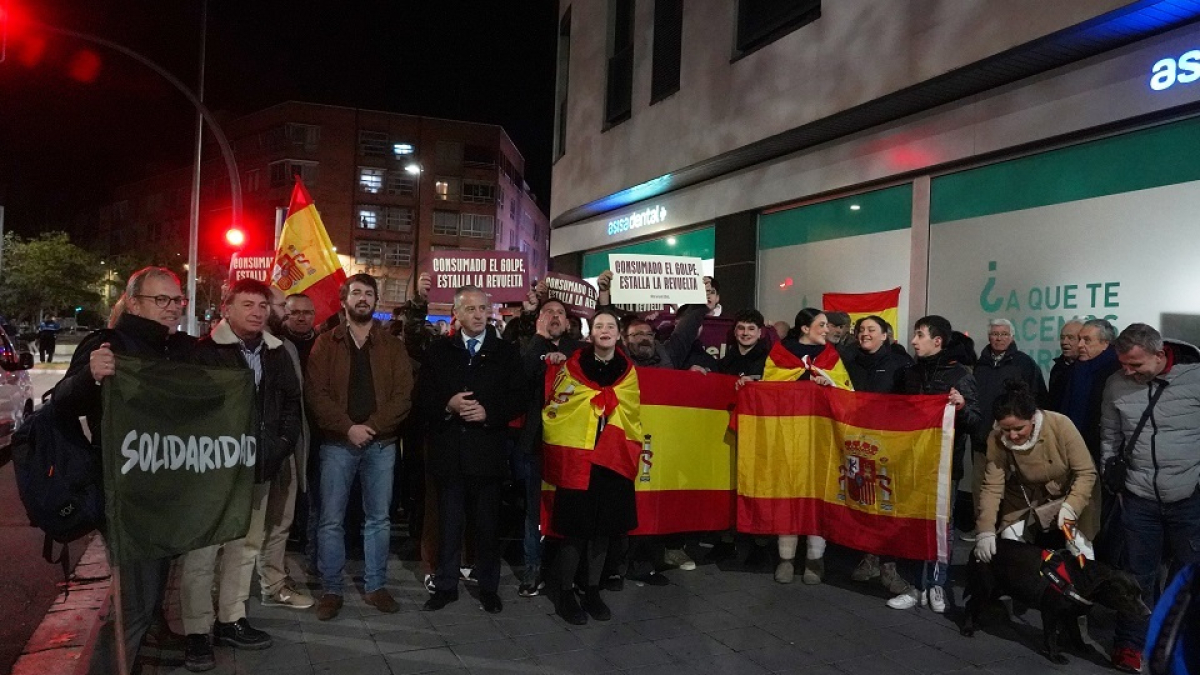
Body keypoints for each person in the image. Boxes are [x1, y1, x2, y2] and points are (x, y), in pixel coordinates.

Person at [55, 267, 196, 670]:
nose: (172, 307)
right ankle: (110, 664)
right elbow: (62, 404)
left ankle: (149, 640)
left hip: (165, 488)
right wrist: (89, 376)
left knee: (153, 584)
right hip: (126, 495)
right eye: (161, 299)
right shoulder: (107, 344)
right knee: (134, 601)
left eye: (177, 299)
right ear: (133, 303)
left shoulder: (176, 348)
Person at [178, 279, 303, 670]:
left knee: (246, 546)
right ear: (227, 308)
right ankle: (197, 631)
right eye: (247, 304)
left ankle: (231, 618)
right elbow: (190, 410)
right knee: (202, 552)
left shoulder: (276, 352)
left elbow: (291, 404)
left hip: (259, 467)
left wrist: (280, 446)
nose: (257, 312)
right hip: (212, 471)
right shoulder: (203, 352)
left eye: (262, 305)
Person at [306, 274, 414, 621]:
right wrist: (348, 427)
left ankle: (375, 586)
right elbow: (316, 394)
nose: (363, 298)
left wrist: (373, 427)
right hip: (338, 443)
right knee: (330, 520)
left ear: (376, 301)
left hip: (381, 444)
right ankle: (331, 590)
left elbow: (403, 395)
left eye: (369, 293)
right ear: (344, 301)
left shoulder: (392, 346)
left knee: (378, 519)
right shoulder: (326, 344)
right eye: (356, 293)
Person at [417, 285, 526, 614]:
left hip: (487, 453)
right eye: (471, 309)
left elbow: (519, 397)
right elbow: (422, 396)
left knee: (487, 526)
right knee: (449, 525)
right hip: (450, 453)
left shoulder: (506, 352)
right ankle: (445, 585)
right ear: (457, 314)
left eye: (482, 308)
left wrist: (489, 413)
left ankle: (488, 587)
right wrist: (447, 404)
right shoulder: (439, 351)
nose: (479, 315)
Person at [1101, 323, 1200, 673]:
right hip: (1138, 496)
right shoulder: (1115, 384)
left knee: (1187, 578)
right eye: (1123, 364)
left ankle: (1181, 644)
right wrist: (1112, 478)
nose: (1128, 372)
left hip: (1188, 496)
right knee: (1136, 576)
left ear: (1159, 355)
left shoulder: (1195, 379)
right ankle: (1131, 645)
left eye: (1136, 364)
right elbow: (1110, 435)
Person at [543, 308, 641, 625]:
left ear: (618, 334)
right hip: (579, 458)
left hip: (611, 459)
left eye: (610, 326)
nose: (605, 330)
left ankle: (592, 589)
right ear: (591, 333)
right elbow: (558, 408)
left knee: (603, 530)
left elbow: (631, 412)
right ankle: (565, 592)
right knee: (575, 530)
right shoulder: (573, 367)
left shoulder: (628, 371)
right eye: (599, 326)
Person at [888, 315, 979, 613]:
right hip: (911, 462)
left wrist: (961, 407)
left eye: (920, 335)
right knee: (911, 523)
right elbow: (892, 412)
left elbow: (975, 422)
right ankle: (914, 585)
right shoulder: (909, 374)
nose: (913, 341)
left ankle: (937, 583)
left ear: (937, 341)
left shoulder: (960, 376)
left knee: (942, 525)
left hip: (945, 465)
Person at [763, 307, 848, 585]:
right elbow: (768, 388)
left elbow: (847, 390)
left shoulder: (831, 355)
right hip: (788, 436)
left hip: (821, 437)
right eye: (821, 325)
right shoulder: (780, 353)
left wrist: (828, 384)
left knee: (818, 494)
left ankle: (814, 559)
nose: (827, 329)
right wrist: (803, 380)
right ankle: (786, 559)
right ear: (804, 328)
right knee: (788, 492)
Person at [974, 380, 1098, 564]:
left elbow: (1086, 473)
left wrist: (1071, 506)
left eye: (1019, 428)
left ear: (1032, 418)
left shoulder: (1060, 424)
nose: (1013, 435)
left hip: (1071, 490)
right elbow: (992, 486)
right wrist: (985, 530)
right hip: (1025, 494)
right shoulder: (996, 437)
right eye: (1006, 429)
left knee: (1079, 544)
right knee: (1010, 540)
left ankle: (1083, 579)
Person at [511, 295, 583, 597]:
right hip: (535, 443)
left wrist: (564, 363)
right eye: (548, 312)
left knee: (569, 508)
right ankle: (533, 569)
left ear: (567, 323)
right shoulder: (528, 347)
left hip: (570, 444)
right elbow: (520, 378)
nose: (554, 316)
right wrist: (539, 341)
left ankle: (566, 571)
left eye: (560, 313)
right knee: (534, 510)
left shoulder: (578, 352)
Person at [844, 315, 914, 589]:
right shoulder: (848, 362)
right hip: (857, 443)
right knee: (864, 501)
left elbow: (912, 403)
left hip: (889, 444)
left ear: (885, 335)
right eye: (861, 329)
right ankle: (869, 556)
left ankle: (889, 564)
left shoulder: (900, 365)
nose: (865, 333)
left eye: (871, 329)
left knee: (887, 504)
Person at [968, 319, 1048, 539]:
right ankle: (983, 530)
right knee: (981, 486)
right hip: (982, 438)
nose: (999, 338)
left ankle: (1011, 532)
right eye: (995, 334)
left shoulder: (1025, 364)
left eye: (1004, 334)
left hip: (1015, 440)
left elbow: (1038, 399)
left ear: (1012, 337)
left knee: (1014, 488)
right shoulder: (979, 365)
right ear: (989, 337)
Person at [708, 309, 772, 564]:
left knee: (758, 486)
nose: (745, 333)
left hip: (759, 432)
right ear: (734, 332)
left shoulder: (770, 362)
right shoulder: (725, 362)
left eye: (751, 329)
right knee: (728, 484)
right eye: (741, 328)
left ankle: (760, 544)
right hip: (728, 432)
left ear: (760, 332)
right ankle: (727, 540)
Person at [1047, 319, 1084, 411]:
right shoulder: (1057, 368)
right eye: (1062, 337)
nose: (1064, 342)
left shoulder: (1088, 370)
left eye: (1071, 338)